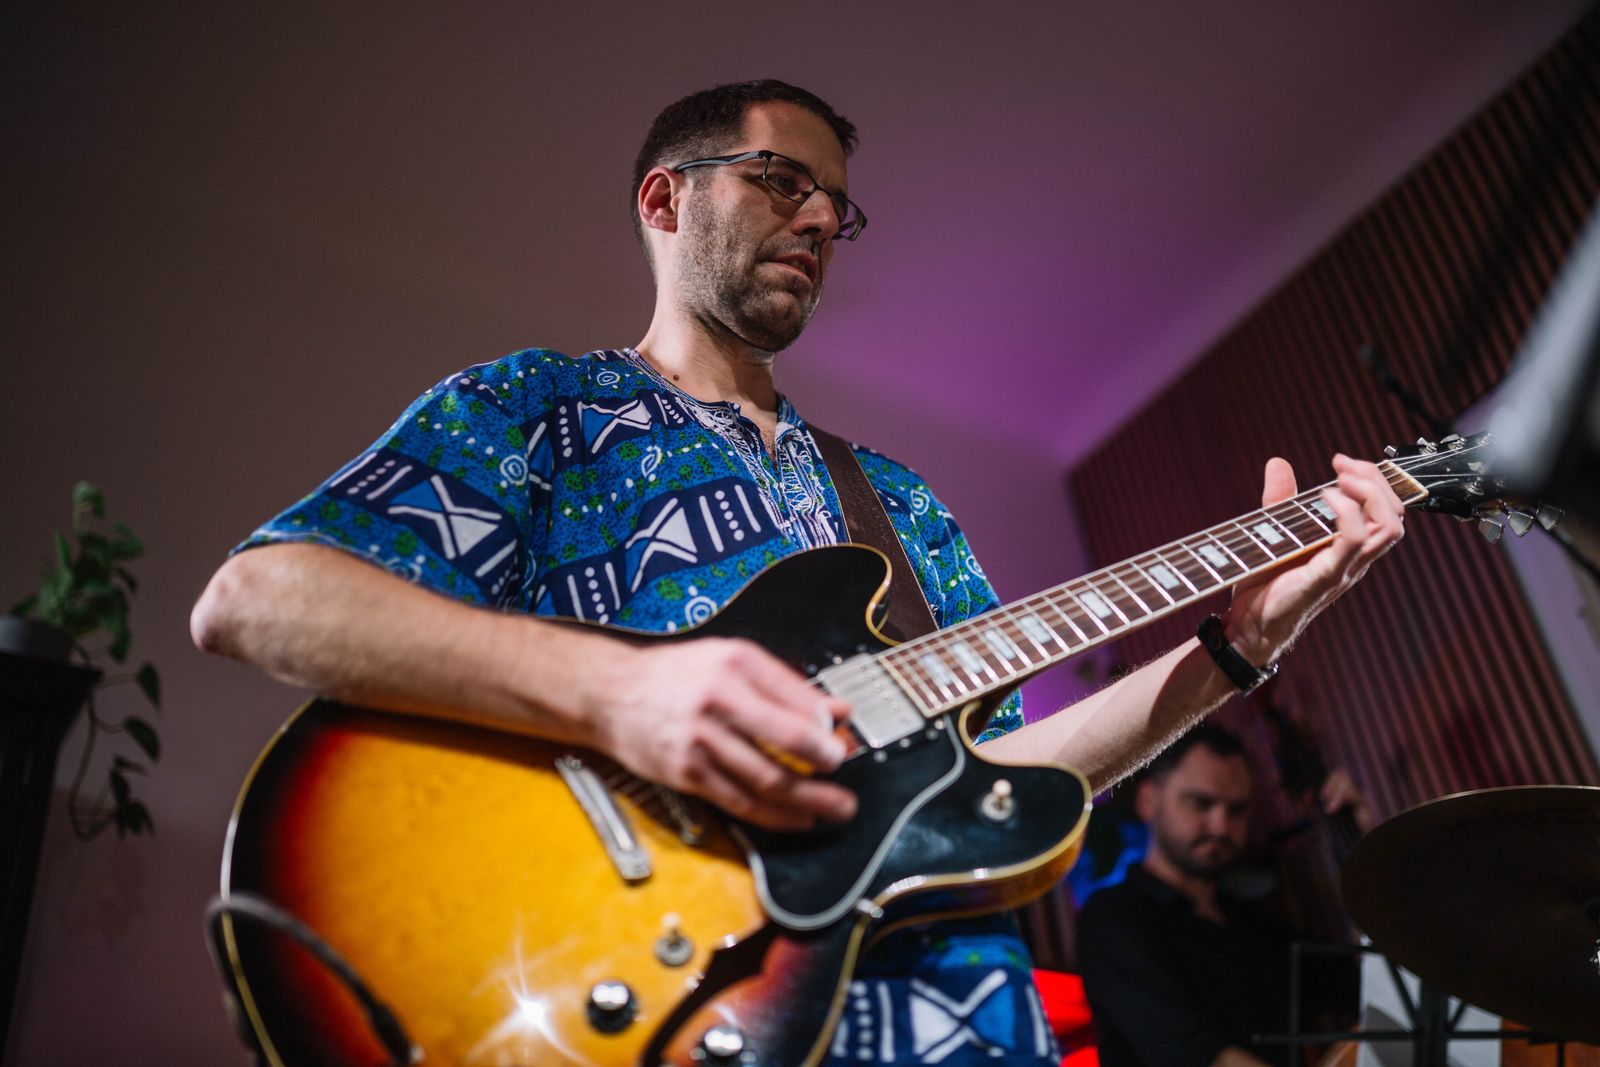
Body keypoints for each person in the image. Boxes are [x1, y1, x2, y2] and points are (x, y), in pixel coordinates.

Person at [190, 79, 1406, 1065]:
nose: (821, 219)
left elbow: (1009, 775)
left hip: (958, 1026)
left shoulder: (901, 502)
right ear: (664, 198)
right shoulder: (539, 407)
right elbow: (262, 595)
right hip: (673, 1004)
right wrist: (620, 692)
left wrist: (1234, 645)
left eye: (837, 206)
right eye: (782, 179)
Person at [1076, 724, 1373, 1067]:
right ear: (1148, 801)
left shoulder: (1255, 925)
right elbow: (1195, 1055)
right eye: (1201, 803)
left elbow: (1361, 984)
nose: (1220, 826)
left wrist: (1366, 850)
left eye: (1237, 810)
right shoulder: (1113, 919)